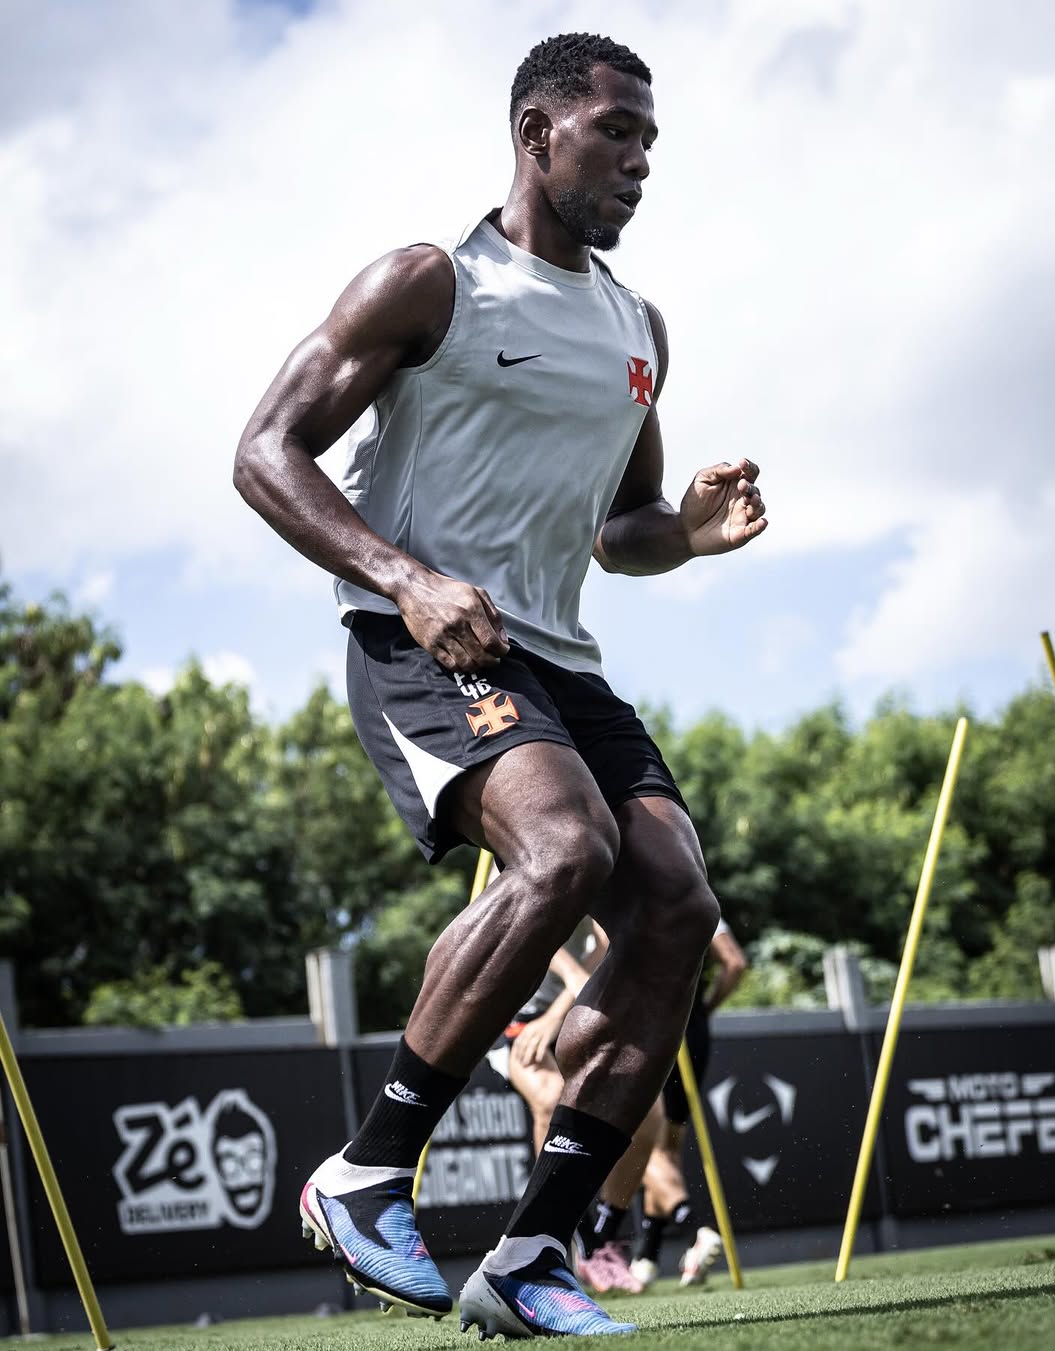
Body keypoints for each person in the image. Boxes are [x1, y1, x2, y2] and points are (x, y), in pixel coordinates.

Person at [234, 30, 767, 1340]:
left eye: (650, 140)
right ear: (537, 133)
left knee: (680, 905)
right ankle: (367, 1172)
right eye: (616, 133)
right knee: (567, 846)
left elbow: (622, 527)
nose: (640, 162)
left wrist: (687, 532)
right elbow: (265, 452)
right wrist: (405, 576)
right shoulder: (434, 283)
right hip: (423, 636)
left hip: (561, 657)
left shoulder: (637, 330)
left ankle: (534, 1251)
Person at [485, 917, 664, 1296]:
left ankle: (603, 1236)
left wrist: (566, 1001)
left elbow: (611, 938)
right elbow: (535, 926)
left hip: (576, 1008)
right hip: (515, 1016)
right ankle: (569, 1236)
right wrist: (570, 984)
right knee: (551, 1100)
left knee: (649, 1114)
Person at [631, 922, 747, 1289]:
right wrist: (705, 1010)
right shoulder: (699, 899)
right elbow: (734, 964)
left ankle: (695, 1228)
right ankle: (647, 1257)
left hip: (648, 1029)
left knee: (641, 1145)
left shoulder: (632, 900)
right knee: (666, 1148)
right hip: (692, 1028)